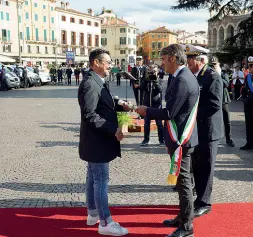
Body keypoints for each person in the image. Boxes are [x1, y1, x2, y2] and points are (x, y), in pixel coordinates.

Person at [136, 44, 199, 237]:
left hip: (182, 138)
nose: (161, 64)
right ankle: (182, 217)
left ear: (172, 58)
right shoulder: (183, 76)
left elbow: (169, 112)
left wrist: (146, 110)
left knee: (184, 182)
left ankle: (186, 227)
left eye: (163, 59)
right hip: (180, 136)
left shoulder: (182, 80)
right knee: (181, 182)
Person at [78, 48, 128, 236]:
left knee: (92, 177)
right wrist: (113, 129)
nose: (110, 66)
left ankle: (92, 214)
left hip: (96, 141)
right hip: (97, 140)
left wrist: (118, 103)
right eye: (108, 62)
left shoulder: (97, 81)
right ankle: (106, 222)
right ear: (96, 63)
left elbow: (102, 103)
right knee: (100, 180)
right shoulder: (91, 83)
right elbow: (90, 114)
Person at [186, 45, 223, 218]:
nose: (188, 62)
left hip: (209, 130)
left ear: (201, 60)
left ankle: (205, 202)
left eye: (191, 58)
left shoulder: (212, 76)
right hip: (197, 129)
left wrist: (194, 116)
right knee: (197, 166)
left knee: (206, 167)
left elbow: (215, 104)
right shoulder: (195, 76)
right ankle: (199, 199)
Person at [135, 69, 164, 146]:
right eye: (150, 72)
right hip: (147, 105)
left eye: (153, 72)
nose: (152, 73)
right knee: (146, 123)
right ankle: (146, 139)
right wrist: (145, 80)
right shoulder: (146, 80)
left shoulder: (159, 80)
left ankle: (161, 140)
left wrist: (155, 82)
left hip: (156, 105)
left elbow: (160, 90)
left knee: (159, 124)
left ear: (157, 72)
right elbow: (141, 88)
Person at [211, 57, 235, 147]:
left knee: (227, 120)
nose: (213, 67)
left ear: (218, 64)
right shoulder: (210, 73)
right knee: (214, 120)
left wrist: (217, 76)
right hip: (214, 99)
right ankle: (214, 139)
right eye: (212, 65)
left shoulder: (223, 73)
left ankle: (229, 139)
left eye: (215, 65)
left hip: (223, 99)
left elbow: (226, 84)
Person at [240, 56, 253, 150]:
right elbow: (244, 89)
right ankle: (249, 143)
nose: (250, 68)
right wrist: (244, 99)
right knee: (249, 125)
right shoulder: (248, 77)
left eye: (252, 66)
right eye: (250, 66)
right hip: (248, 106)